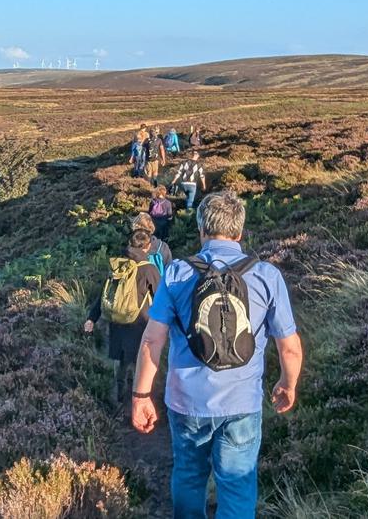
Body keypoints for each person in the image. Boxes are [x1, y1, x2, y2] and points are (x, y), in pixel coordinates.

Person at [131, 192, 303, 519]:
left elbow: (151, 341)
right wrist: (287, 383)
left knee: (188, 476)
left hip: (186, 403)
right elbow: (290, 347)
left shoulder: (177, 273)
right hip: (241, 404)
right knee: (237, 486)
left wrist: (141, 395)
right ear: (239, 232)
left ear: (201, 230)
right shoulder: (267, 276)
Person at [84, 215, 164, 414]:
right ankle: (142, 402)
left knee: (122, 364)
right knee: (142, 362)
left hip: (117, 322)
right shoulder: (149, 269)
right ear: (146, 247)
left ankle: (120, 401)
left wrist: (91, 318)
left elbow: (104, 294)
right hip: (141, 322)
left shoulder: (118, 266)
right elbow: (162, 298)